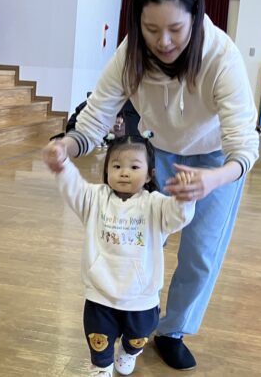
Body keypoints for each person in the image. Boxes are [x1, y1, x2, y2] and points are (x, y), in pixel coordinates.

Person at [42, 0, 259, 370]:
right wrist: (66, 145)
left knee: (200, 253)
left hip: (216, 159)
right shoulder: (130, 56)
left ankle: (173, 330)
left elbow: (244, 146)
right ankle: (129, 314)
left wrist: (214, 178)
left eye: (176, 29)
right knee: (139, 240)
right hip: (157, 151)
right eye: (151, 29)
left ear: (195, 18)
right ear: (137, 23)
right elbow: (94, 118)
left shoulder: (221, 58)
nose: (164, 41)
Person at [49, 135, 195, 377]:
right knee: (98, 337)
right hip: (101, 292)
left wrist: (184, 198)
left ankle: (128, 352)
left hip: (142, 296)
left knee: (138, 337)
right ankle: (101, 367)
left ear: (149, 175)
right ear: (106, 170)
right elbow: (73, 186)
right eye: (116, 166)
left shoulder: (155, 204)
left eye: (134, 167)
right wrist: (61, 164)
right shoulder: (95, 199)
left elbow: (177, 216)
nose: (124, 173)